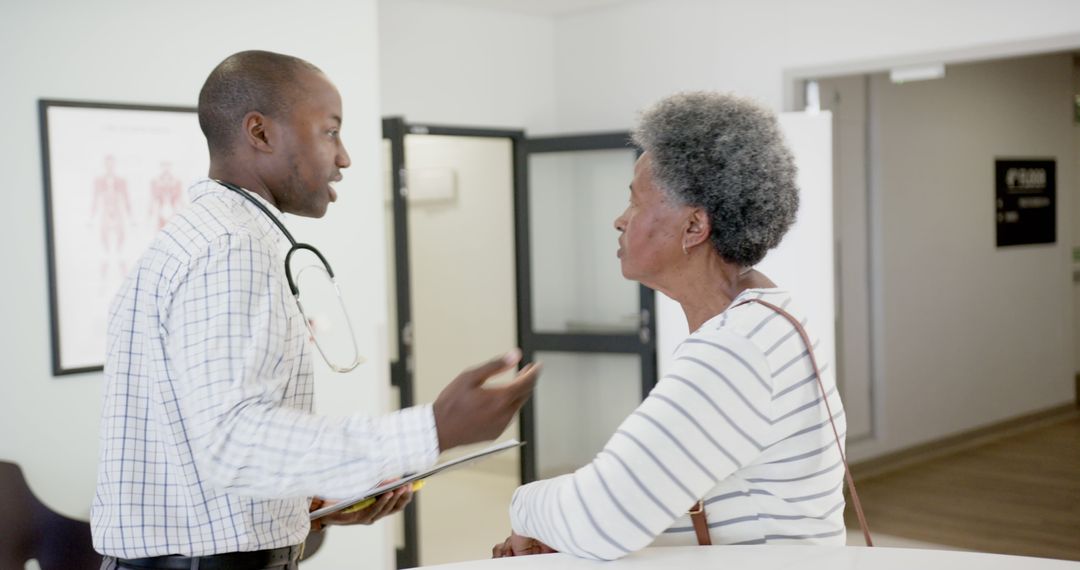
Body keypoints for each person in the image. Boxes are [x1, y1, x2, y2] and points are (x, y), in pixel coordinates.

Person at [91, 50, 540, 570]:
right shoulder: (231, 246)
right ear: (259, 133)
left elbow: (195, 449)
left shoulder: (204, 236)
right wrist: (433, 428)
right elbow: (232, 441)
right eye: (331, 132)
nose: (345, 157)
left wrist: (307, 505)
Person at [493, 92, 846, 560]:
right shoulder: (770, 317)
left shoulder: (737, 349)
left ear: (694, 227)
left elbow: (599, 518)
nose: (619, 221)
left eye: (635, 203)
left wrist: (524, 506)